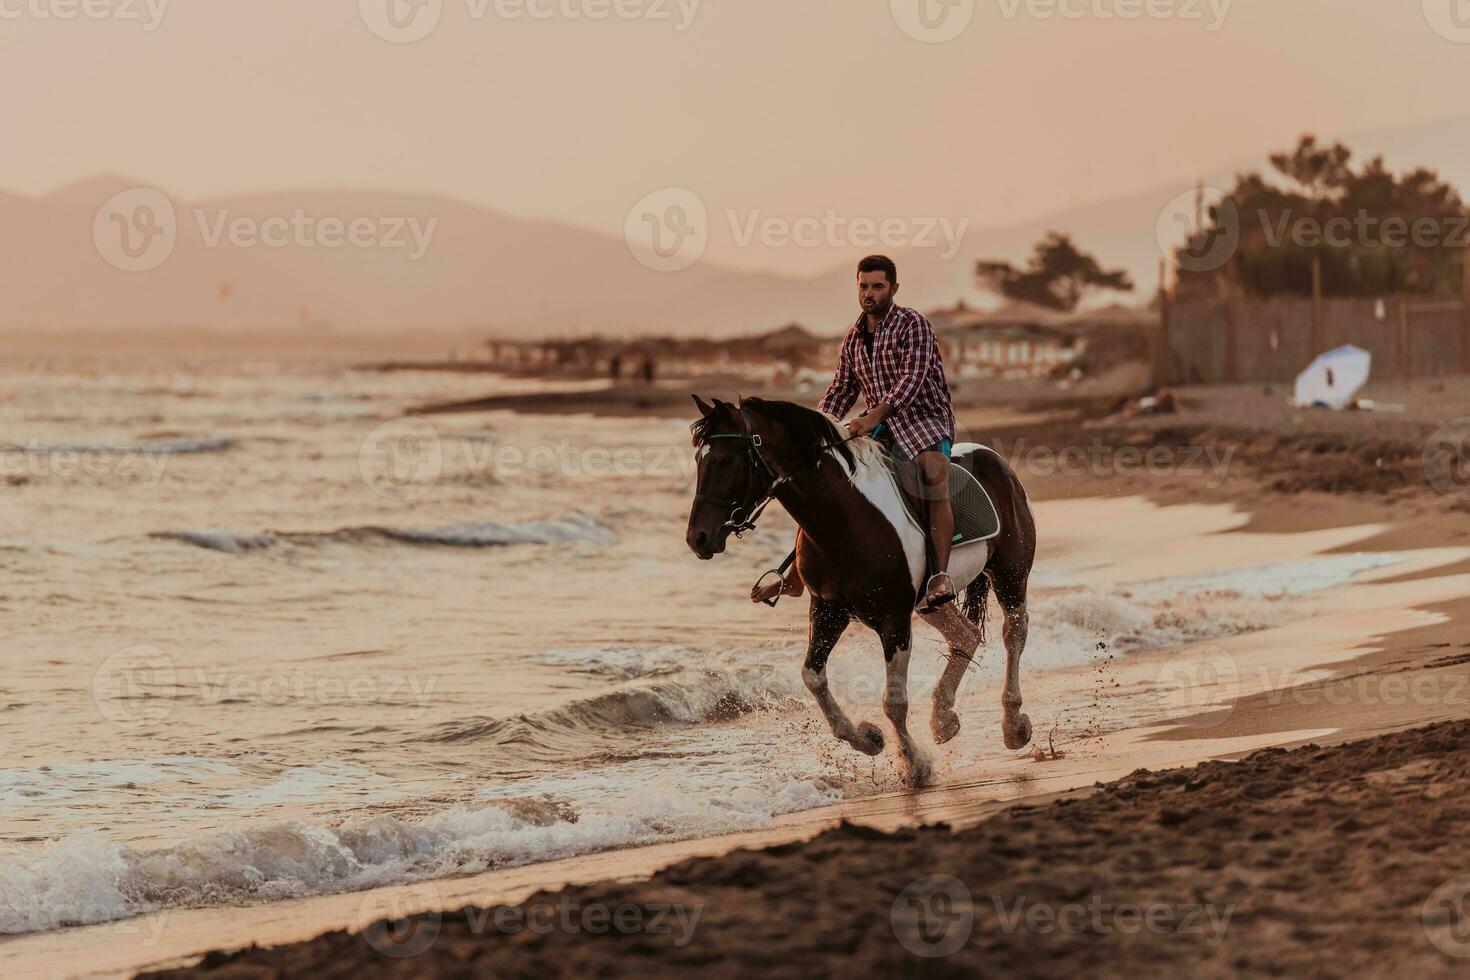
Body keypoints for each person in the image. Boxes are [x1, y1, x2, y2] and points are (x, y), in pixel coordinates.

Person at [752, 254, 958, 609]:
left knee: (932, 474)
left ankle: (939, 574)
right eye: (863, 286)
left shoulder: (914, 325)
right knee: (823, 477)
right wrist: (813, 432)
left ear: (893, 288)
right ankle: (795, 576)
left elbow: (913, 379)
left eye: (877, 286)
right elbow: (841, 390)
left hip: (924, 419)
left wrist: (874, 416)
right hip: (878, 424)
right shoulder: (853, 338)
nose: (869, 293)